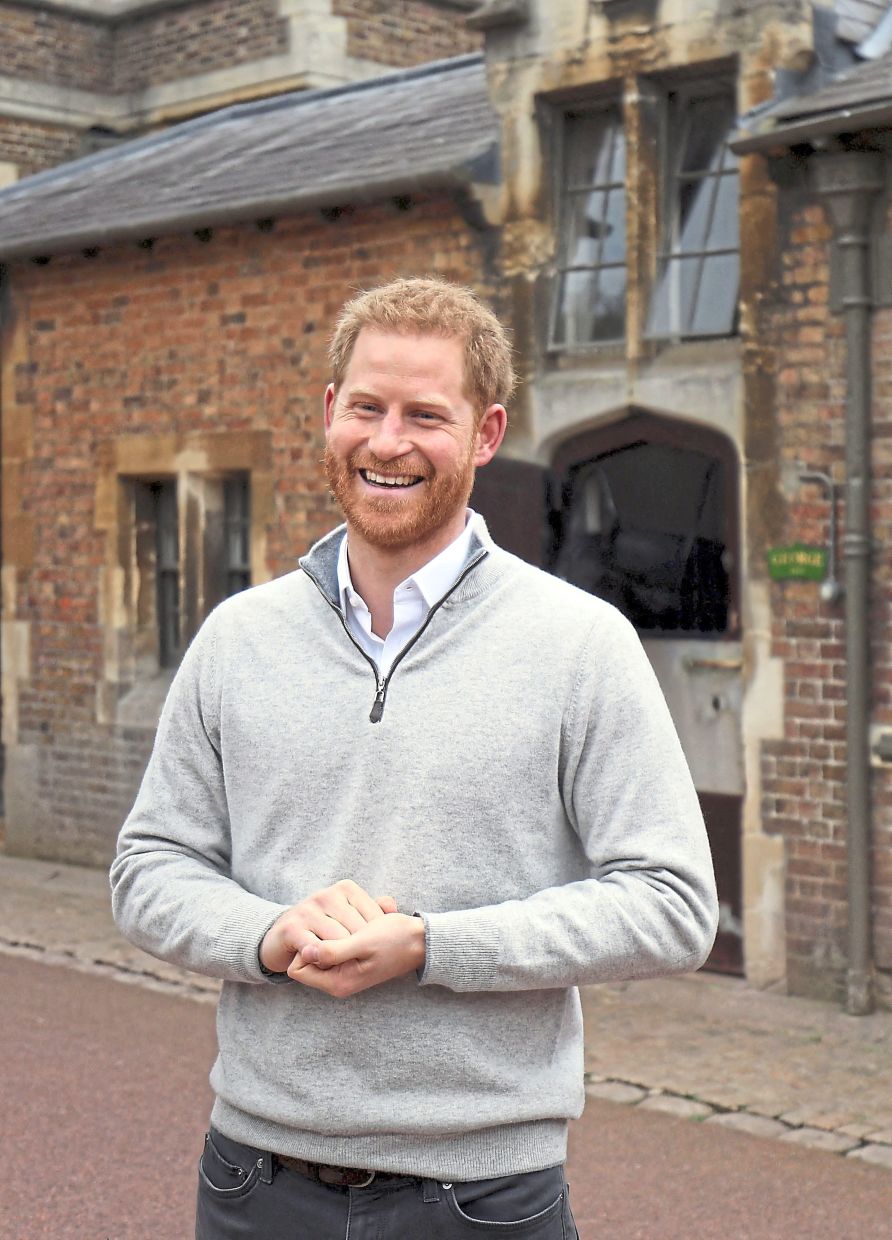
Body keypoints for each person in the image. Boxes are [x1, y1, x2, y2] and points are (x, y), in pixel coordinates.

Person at [111, 277, 718, 1239]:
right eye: (367, 408)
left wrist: (434, 946)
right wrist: (268, 934)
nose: (388, 442)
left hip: (479, 1197)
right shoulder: (238, 637)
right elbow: (148, 869)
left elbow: (673, 905)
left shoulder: (579, 644)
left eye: (426, 416)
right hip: (252, 1184)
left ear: (484, 433)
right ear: (329, 414)